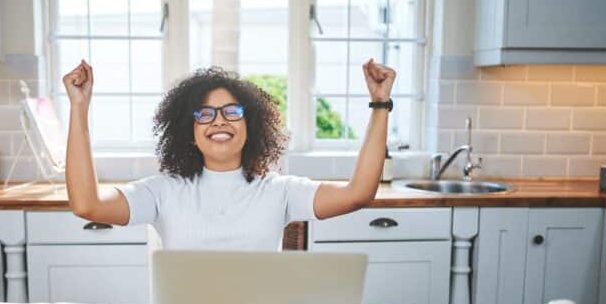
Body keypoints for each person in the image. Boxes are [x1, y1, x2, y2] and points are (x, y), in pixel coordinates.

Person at [63, 59, 395, 250]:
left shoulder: (279, 190)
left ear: (251, 127)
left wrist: (380, 104)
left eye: (231, 111)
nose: (219, 120)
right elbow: (86, 205)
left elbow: (359, 194)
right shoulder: (161, 191)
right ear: (189, 132)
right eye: (205, 113)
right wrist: (79, 107)